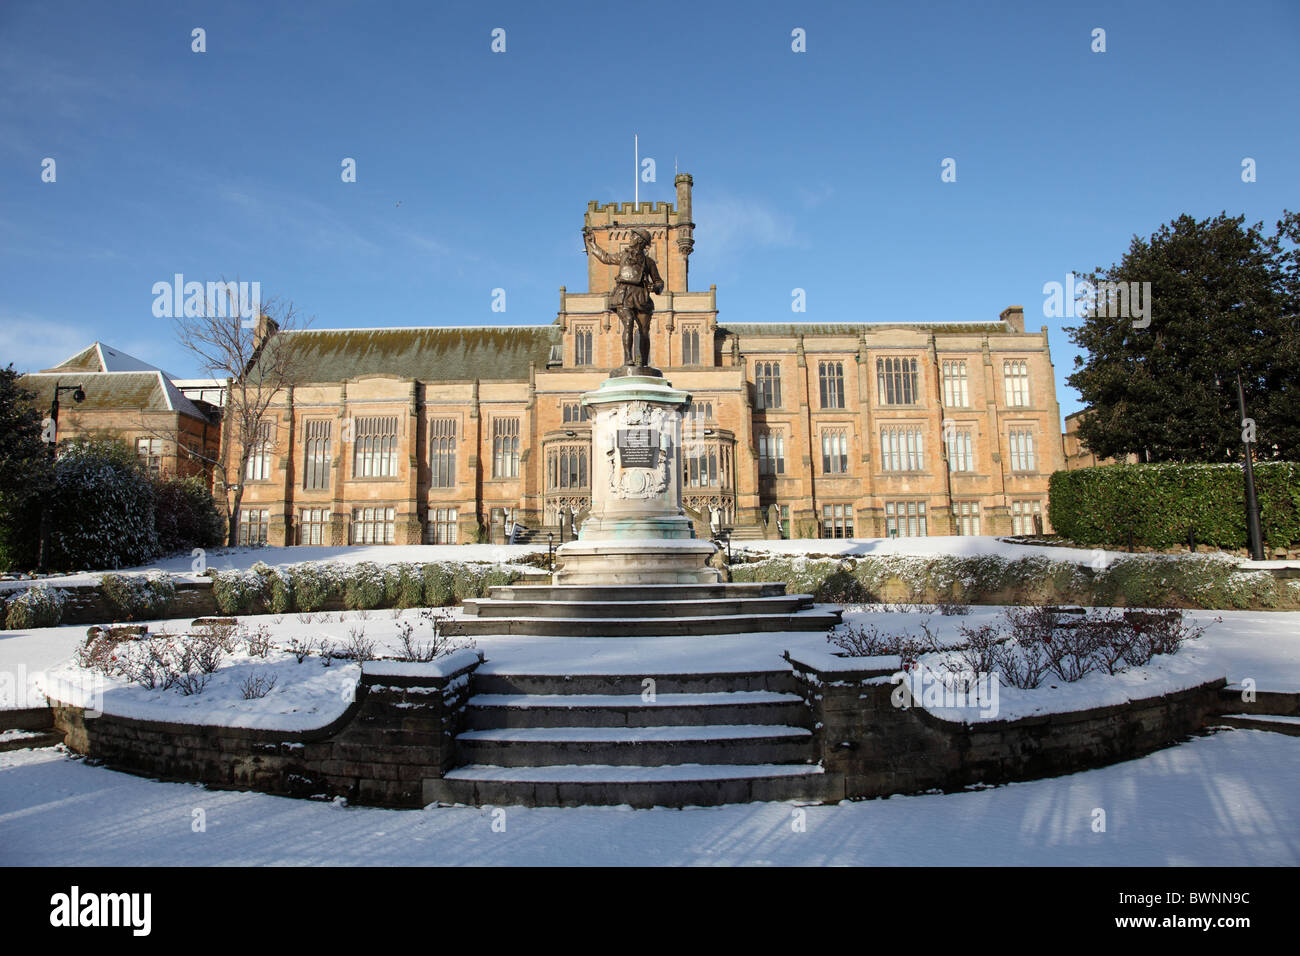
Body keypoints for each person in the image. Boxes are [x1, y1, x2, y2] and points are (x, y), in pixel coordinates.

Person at [583, 225, 664, 368]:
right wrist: (591, 244)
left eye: (633, 236)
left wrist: (656, 287)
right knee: (628, 322)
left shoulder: (649, 262)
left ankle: (644, 364)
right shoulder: (623, 255)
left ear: (640, 241)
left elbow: (659, 281)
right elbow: (606, 258)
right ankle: (628, 359)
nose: (630, 238)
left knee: (644, 331)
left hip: (641, 296)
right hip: (624, 294)